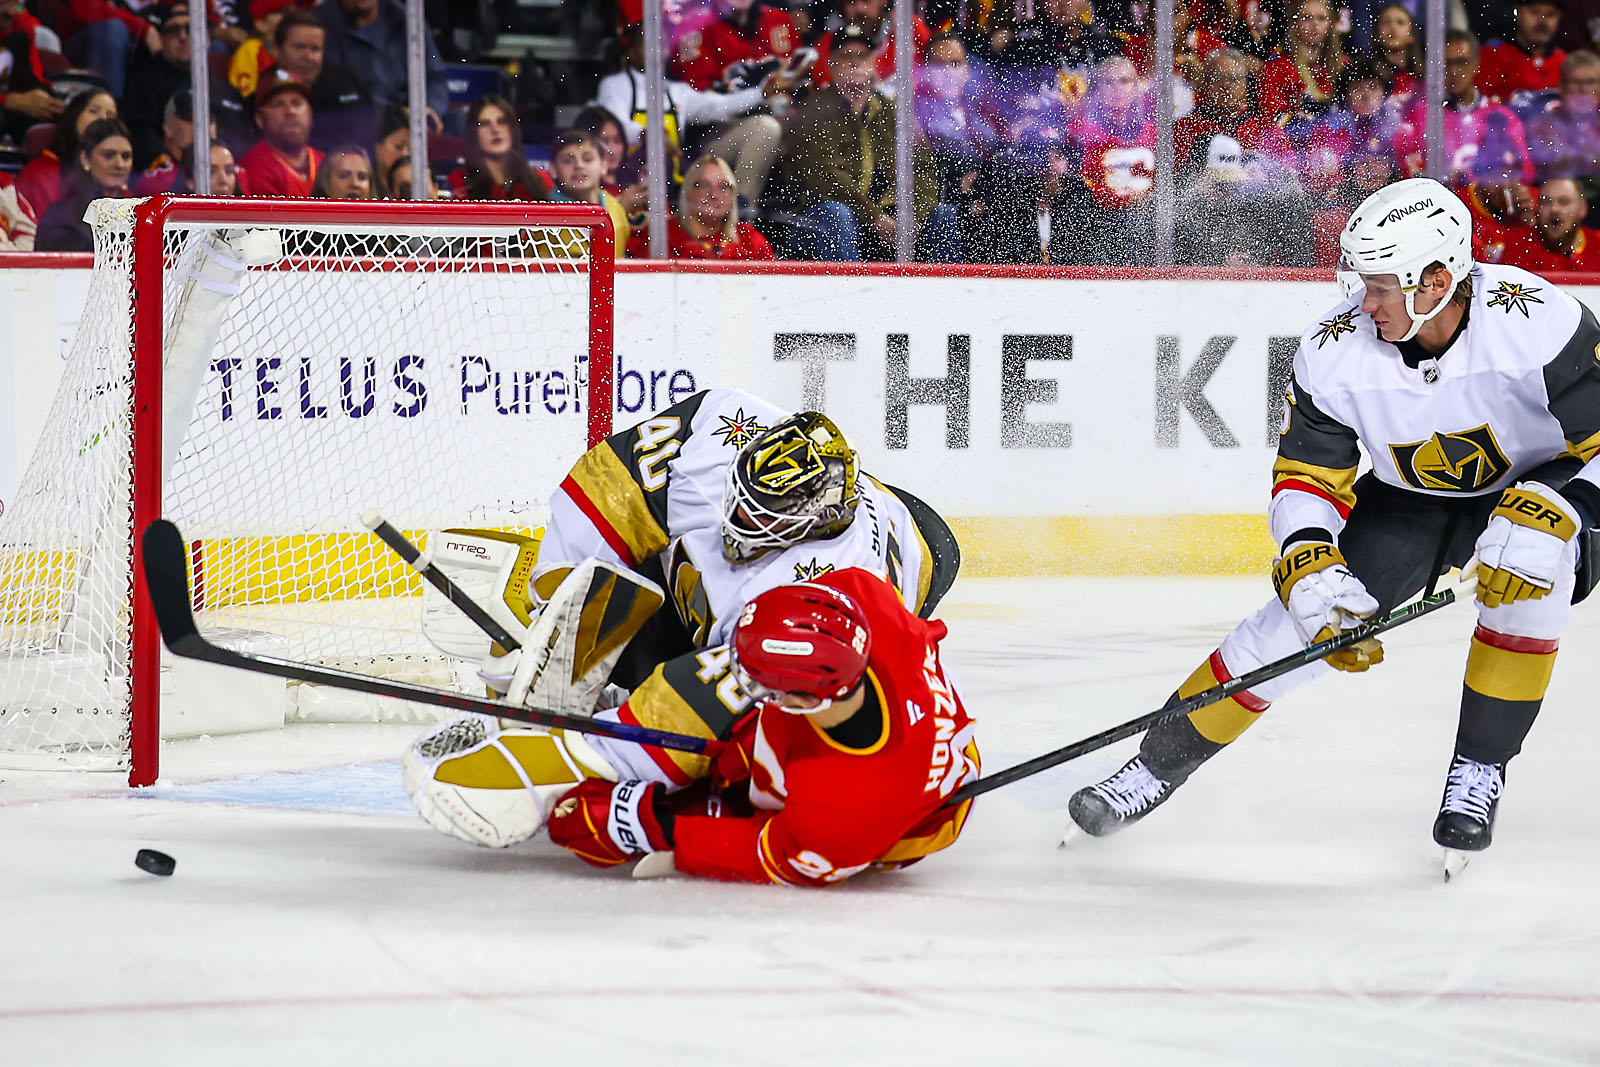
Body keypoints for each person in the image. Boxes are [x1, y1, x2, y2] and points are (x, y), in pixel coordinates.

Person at [1066, 176, 1600, 871]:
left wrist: (1567, 510)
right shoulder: (1333, 347)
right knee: (1297, 621)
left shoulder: (1542, 321)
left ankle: (1479, 767)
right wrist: (1307, 553)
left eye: (1380, 285)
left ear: (1438, 279)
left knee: (1532, 573)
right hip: (1410, 498)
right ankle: (1156, 765)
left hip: (1548, 482)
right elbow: (1305, 475)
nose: (1362, 300)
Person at [400, 388, 962, 863]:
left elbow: (703, 723)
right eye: (738, 504)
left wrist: (600, 786)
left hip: (914, 549)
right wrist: (549, 599)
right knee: (658, 556)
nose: (737, 527)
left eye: (758, 522)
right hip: (843, 520)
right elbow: (606, 486)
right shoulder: (725, 424)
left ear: (803, 529)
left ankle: (628, 685)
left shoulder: (816, 605)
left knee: (729, 728)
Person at [542, 572, 981, 884]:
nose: (747, 683)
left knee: (727, 805)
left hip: (907, 823)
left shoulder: (846, 814)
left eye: (759, 682)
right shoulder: (863, 598)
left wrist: (650, 823)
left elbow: (766, 852)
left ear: (805, 701)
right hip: (894, 742)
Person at [763, 23, 958, 261]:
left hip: (884, 220)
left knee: (943, 214)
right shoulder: (812, 111)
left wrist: (914, 216)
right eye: (846, 57)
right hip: (816, 221)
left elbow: (923, 169)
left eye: (862, 56)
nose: (855, 63)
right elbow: (825, 179)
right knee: (837, 214)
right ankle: (849, 294)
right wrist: (875, 216)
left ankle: (947, 293)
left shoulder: (892, 111)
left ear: (873, 63)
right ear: (831, 65)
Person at [595, 20, 798, 203]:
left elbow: (717, 106)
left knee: (764, 127)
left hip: (672, 181)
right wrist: (649, 136)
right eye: (647, 42)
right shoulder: (615, 85)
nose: (655, 49)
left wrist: (761, 93)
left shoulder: (676, 91)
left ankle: (740, 214)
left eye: (661, 43)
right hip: (626, 180)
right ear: (631, 51)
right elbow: (615, 125)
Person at [1396, 30, 1535, 187]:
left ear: (1476, 64)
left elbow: (1525, 172)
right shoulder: (1419, 115)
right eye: (1446, 63)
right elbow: (1407, 171)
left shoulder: (1501, 116)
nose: (1454, 71)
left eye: (1462, 62)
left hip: (1488, 207)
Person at [121, 3, 250, 170]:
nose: (183, 36)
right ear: (162, 40)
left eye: (190, 29)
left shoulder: (224, 87)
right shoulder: (144, 84)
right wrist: (181, 173)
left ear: (207, 38)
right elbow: (141, 137)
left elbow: (244, 140)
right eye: (174, 31)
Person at [315, 0, 446, 124]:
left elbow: (434, 76)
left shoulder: (407, 19)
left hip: (406, 122)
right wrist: (393, 116)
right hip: (346, 121)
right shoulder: (318, 22)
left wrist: (428, 109)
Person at [626, 153, 775, 259]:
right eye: (704, 185)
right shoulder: (663, 236)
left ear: (733, 195)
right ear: (687, 192)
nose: (714, 194)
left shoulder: (749, 239)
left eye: (723, 187)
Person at [1174, 48, 1297, 173]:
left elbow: (1288, 180)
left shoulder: (1264, 130)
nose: (1226, 85)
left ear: (1246, 84)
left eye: (1233, 78)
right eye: (1217, 77)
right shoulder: (1184, 128)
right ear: (1204, 83)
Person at [269, 9, 372, 151]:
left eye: (315, 49)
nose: (309, 56)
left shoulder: (347, 81)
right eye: (299, 47)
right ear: (276, 49)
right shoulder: (264, 91)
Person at [16, 88, 116, 219]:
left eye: (110, 115)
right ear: (74, 118)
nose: (103, 119)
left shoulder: (116, 177)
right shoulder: (38, 175)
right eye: (93, 111)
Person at [36, 117, 133, 251]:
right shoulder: (60, 218)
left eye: (126, 156)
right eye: (108, 155)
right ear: (85, 159)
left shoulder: (137, 213)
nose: (119, 164)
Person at [1257, 0, 1348, 132]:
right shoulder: (1277, 67)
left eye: (1321, 18)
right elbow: (1273, 120)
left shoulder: (1344, 65)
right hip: (1293, 145)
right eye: (1306, 18)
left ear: (1331, 24)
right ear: (1294, 24)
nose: (1315, 25)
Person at [672, 0, 803, 91]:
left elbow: (800, 70)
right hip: (728, 119)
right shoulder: (695, 30)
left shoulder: (777, 18)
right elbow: (699, 99)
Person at [446, 94, 552, 201]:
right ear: (473, 134)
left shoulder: (539, 181)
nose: (495, 129)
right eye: (484, 123)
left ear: (513, 129)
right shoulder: (459, 183)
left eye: (502, 122)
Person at [1479, 175, 1600, 267]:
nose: (1554, 209)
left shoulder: (1597, 244)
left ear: (1582, 209)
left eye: (1563, 202)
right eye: (1546, 202)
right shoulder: (1517, 246)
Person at [238, 69, 324, 196]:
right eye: (278, 104)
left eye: (297, 103)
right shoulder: (253, 168)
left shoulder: (325, 162)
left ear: (310, 113)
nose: (290, 111)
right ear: (260, 119)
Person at [547, 127, 630, 255]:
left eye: (588, 159)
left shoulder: (616, 208)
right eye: (568, 161)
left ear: (603, 165)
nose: (579, 165)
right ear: (553, 170)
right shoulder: (543, 219)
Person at [1523, 49, 1600, 180]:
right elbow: (1553, 168)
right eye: (1576, 82)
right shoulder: (1540, 126)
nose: (1584, 89)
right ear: (1561, 86)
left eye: (1591, 82)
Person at [1478, 0, 1567, 103]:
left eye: (1550, 15)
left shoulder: (1565, 62)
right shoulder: (1491, 56)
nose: (1542, 20)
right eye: (1535, 12)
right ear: (1518, 13)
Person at [0, 0, 62, 142]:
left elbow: (34, 78)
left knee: (53, 112)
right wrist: (11, 101)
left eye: (18, 3)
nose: (12, 11)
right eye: (3, 2)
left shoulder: (20, 23)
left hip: (10, 103)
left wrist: (46, 99)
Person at [131, 90, 214, 196]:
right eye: (190, 119)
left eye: (208, 119)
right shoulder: (158, 178)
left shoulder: (230, 171)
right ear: (168, 127)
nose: (201, 126)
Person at [1366, 2, 1422, 99]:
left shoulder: (1423, 76)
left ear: (1412, 35)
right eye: (1386, 22)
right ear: (1377, 35)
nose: (1393, 28)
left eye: (1400, 22)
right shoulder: (1368, 75)